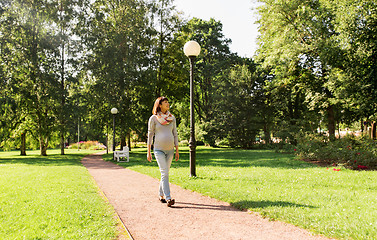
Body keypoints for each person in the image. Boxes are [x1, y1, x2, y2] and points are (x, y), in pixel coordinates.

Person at [147, 96, 179, 207]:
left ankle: (160, 194)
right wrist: (148, 151)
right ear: (159, 105)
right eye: (165, 102)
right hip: (158, 150)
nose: (167, 103)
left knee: (164, 174)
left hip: (170, 150)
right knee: (164, 173)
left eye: (168, 102)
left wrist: (177, 150)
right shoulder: (154, 119)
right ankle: (168, 198)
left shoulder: (172, 118)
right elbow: (150, 135)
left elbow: (175, 133)